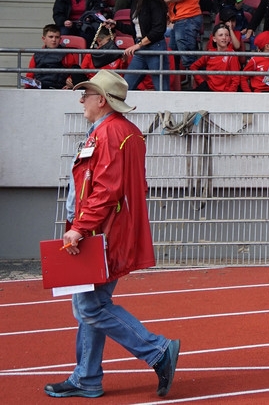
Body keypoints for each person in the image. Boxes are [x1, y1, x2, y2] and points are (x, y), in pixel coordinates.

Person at [44, 71, 180, 399]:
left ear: (101, 100)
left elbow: (105, 190)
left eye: (86, 95)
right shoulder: (121, 131)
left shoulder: (109, 133)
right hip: (104, 229)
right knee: (90, 304)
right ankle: (87, 377)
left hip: (100, 233)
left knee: (90, 308)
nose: (81, 100)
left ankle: (157, 350)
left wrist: (80, 228)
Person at [24, 24, 78, 90]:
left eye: (57, 37)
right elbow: (29, 75)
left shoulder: (66, 54)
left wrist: (70, 80)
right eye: (51, 37)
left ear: (60, 39)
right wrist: (27, 87)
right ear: (44, 39)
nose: (54, 40)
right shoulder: (37, 54)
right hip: (40, 88)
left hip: (59, 88)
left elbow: (75, 71)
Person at [190, 24, 240, 92]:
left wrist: (229, 94)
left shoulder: (232, 55)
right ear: (214, 39)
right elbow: (193, 67)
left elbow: (236, 79)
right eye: (221, 35)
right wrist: (201, 82)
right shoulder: (209, 54)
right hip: (209, 89)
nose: (224, 37)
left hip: (225, 92)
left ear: (229, 39)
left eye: (227, 35)